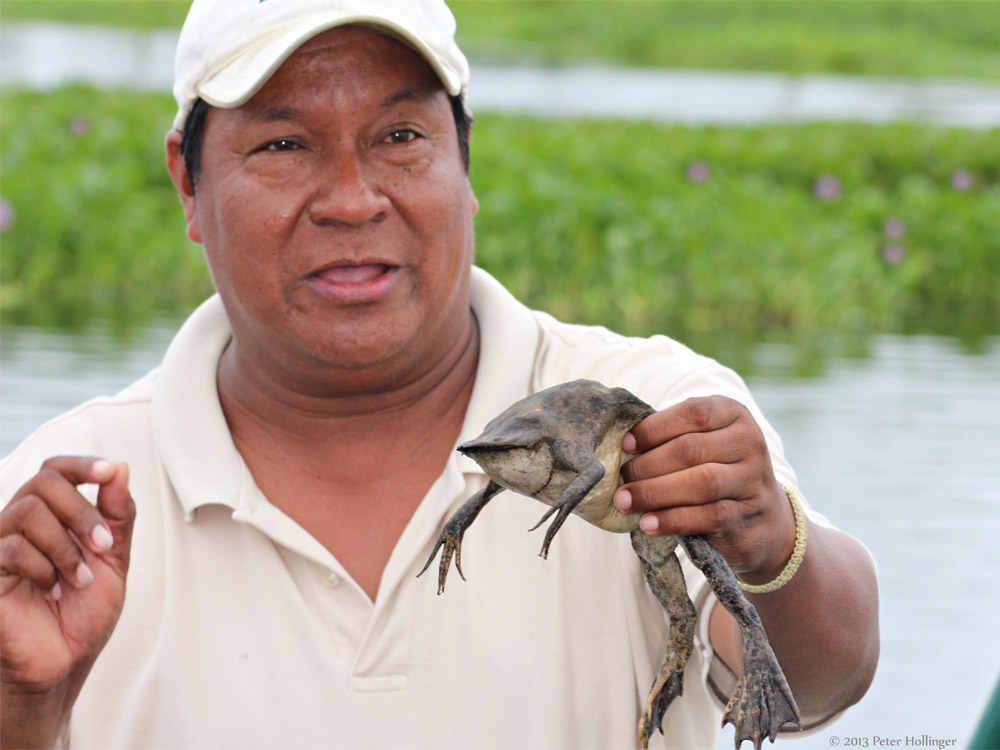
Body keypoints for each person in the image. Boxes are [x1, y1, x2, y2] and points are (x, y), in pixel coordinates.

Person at [0, 0, 879, 747]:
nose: (352, 199)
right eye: (282, 145)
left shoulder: (647, 402)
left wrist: (771, 544)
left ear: (465, 164)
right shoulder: (66, 502)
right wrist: (23, 704)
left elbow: (824, 682)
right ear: (187, 184)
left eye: (399, 135)